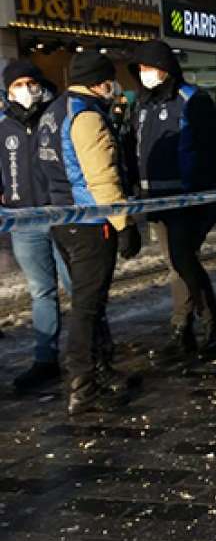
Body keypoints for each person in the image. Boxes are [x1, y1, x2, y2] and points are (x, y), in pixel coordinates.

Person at [36, 51, 142, 414]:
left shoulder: (54, 111)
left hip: (62, 219)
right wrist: (123, 222)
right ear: (100, 81)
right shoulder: (85, 116)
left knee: (88, 303)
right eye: (110, 80)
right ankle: (83, 385)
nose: (114, 87)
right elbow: (102, 176)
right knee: (87, 305)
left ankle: (100, 367)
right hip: (91, 223)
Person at [129, 39, 216, 357]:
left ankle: (200, 322)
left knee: (183, 261)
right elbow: (136, 150)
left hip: (187, 199)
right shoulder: (142, 106)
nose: (145, 74)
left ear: (166, 69)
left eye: (150, 68)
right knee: (176, 263)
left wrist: (204, 196)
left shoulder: (192, 99)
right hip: (155, 199)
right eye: (140, 69)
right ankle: (186, 325)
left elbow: (210, 150)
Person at [1, 60, 71, 390]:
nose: (25, 89)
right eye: (18, 84)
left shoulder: (56, 117)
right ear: (7, 89)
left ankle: (98, 352)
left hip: (61, 214)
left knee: (78, 287)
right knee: (41, 291)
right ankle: (46, 359)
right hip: (24, 219)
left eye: (31, 82)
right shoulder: (3, 126)